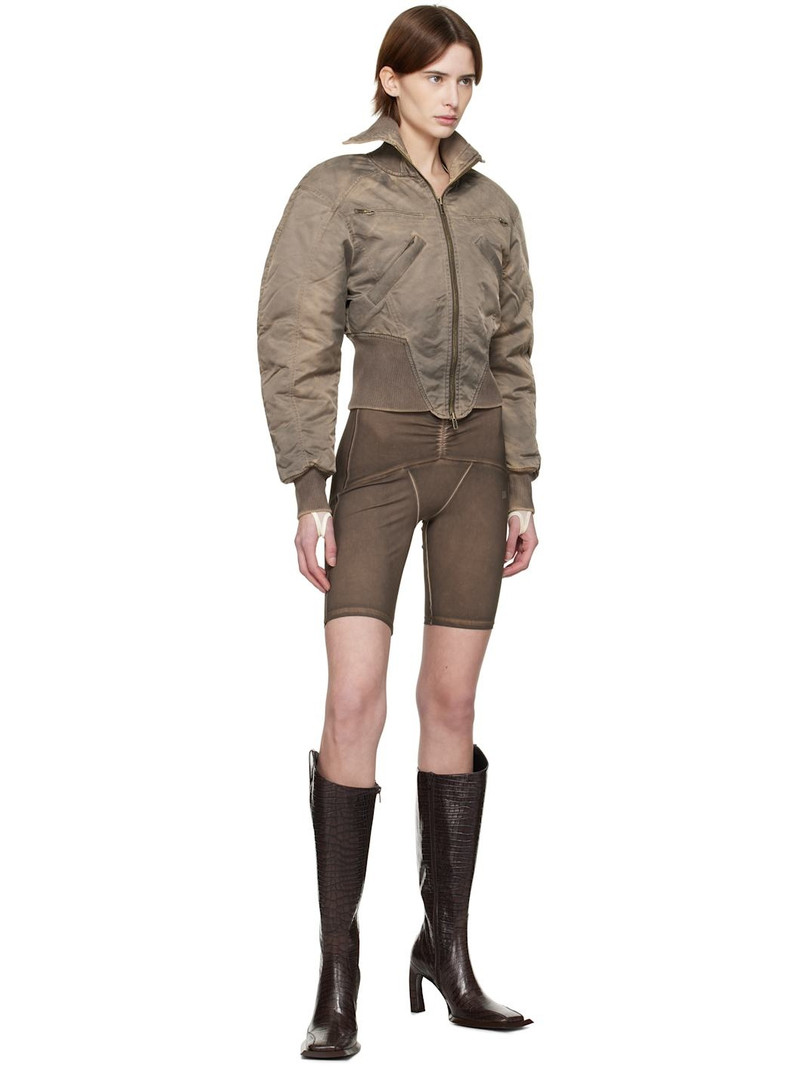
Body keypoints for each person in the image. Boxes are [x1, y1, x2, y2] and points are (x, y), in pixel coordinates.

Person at [256, 5, 540, 1058]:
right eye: (435, 78)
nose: (452, 97)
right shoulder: (334, 190)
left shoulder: (495, 206)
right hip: (374, 465)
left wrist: (522, 482)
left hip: (479, 468)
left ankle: (447, 952)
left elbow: (514, 352)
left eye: (466, 80)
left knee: (452, 701)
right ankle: (338, 976)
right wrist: (308, 487)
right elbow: (293, 336)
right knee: (353, 697)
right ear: (390, 79)